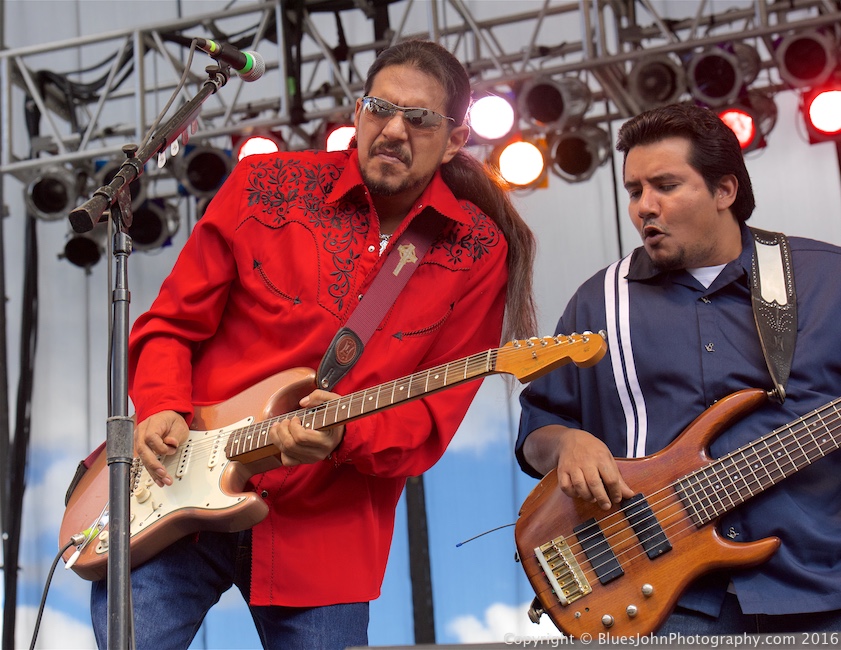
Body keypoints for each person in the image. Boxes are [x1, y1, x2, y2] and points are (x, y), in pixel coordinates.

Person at [90, 39, 537, 649]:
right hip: (175, 490)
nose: (393, 131)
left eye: (420, 119)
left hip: (326, 529)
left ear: (457, 138)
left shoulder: (478, 252)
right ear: (357, 111)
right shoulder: (264, 182)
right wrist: (164, 402)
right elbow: (171, 324)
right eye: (380, 108)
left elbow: (433, 419)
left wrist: (347, 433)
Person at [517, 102, 841, 634]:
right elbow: (538, 428)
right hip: (663, 602)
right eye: (634, 191)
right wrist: (567, 444)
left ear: (725, 191)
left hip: (818, 588)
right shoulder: (599, 302)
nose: (645, 206)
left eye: (665, 186)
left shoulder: (825, 279)